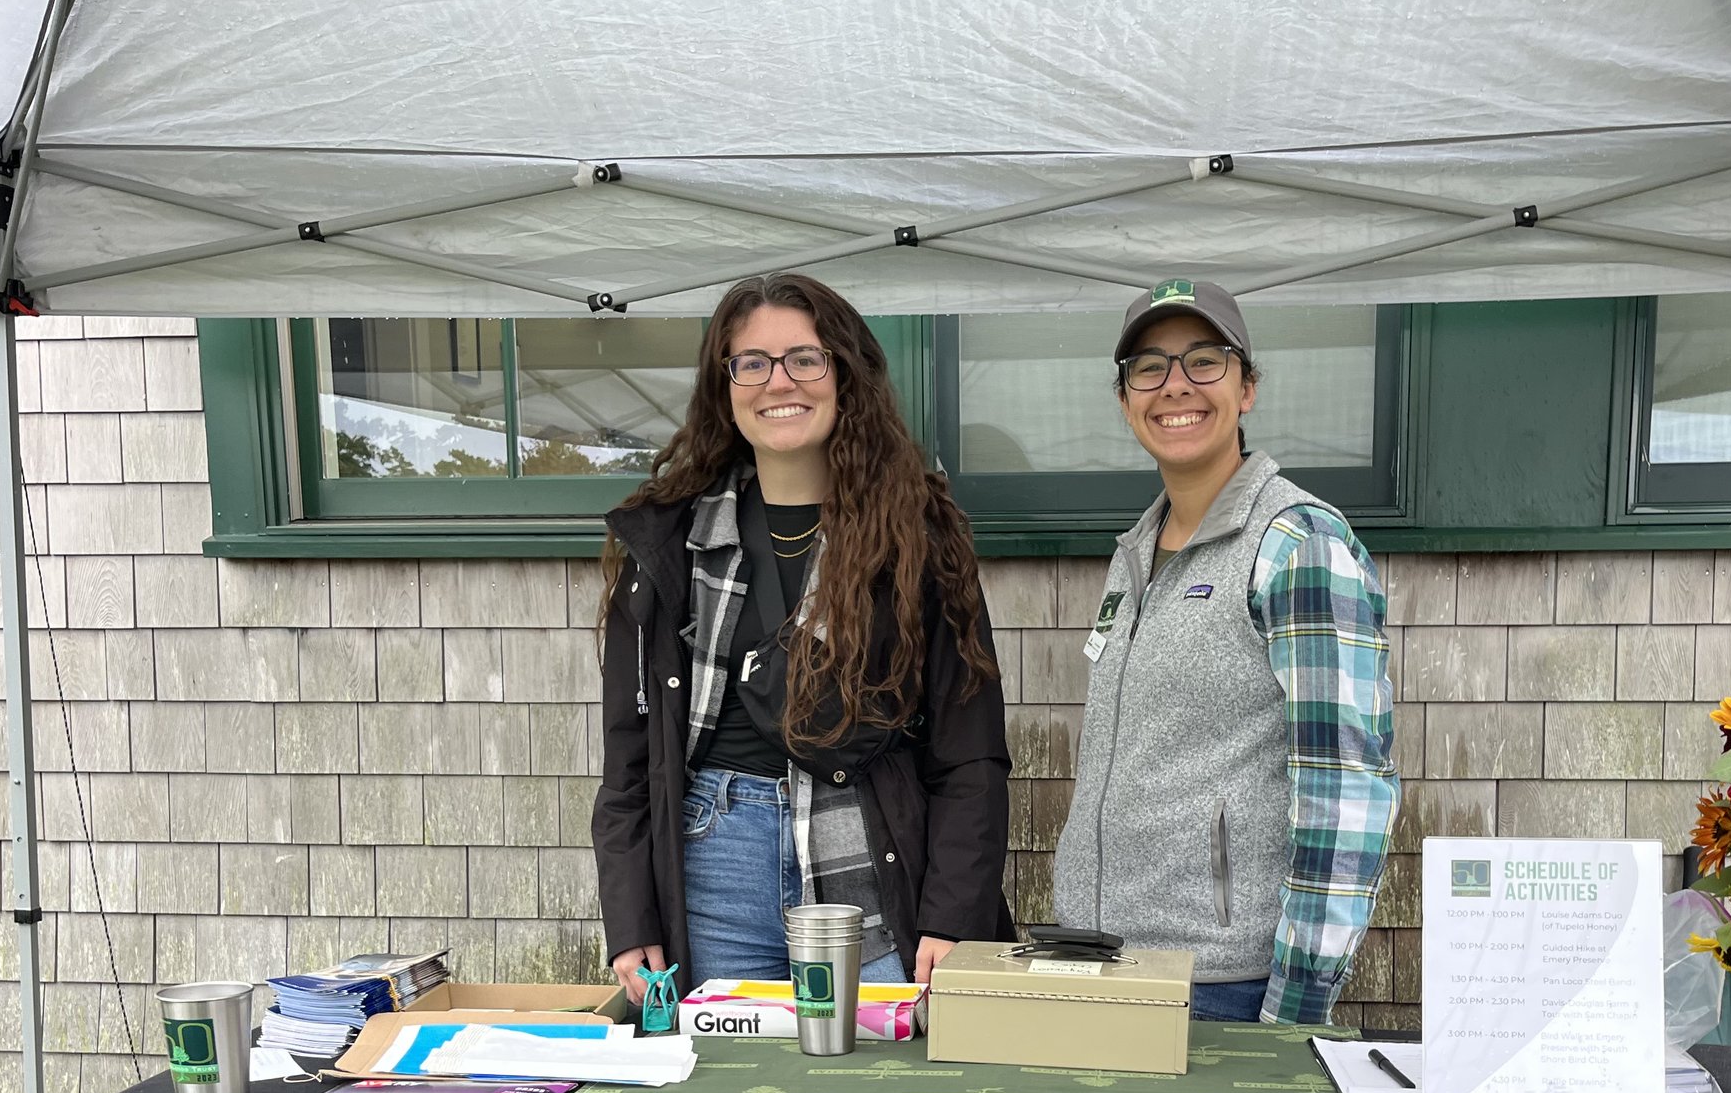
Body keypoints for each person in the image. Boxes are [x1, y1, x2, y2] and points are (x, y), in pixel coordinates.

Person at [596, 273, 1012, 1007]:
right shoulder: (666, 543)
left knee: (882, 1092)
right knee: (733, 1087)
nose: (776, 381)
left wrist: (953, 914)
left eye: (803, 359)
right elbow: (630, 761)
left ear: (844, 374)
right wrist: (632, 918)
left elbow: (970, 751)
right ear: (724, 385)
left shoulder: (919, 535)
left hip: (868, 852)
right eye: (750, 362)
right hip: (713, 859)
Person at [1053, 279, 1398, 1024]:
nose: (1175, 385)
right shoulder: (1135, 552)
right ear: (1124, 400)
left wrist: (1296, 1009)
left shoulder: (1297, 544)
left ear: (1247, 388)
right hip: (1097, 961)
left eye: (1203, 361)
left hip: (1218, 987)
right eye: (1149, 367)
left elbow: (1347, 791)